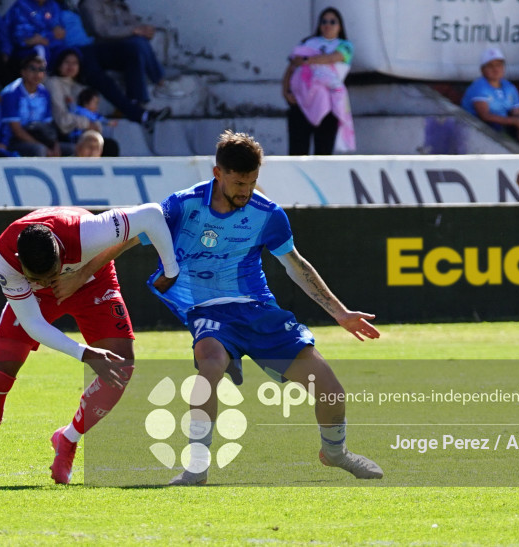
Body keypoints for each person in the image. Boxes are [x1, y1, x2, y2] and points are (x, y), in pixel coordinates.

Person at [145, 130, 382, 485]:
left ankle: (335, 454)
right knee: (208, 367)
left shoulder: (267, 213)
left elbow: (296, 265)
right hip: (209, 309)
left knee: (330, 390)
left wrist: (341, 313)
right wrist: (84, 271)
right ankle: (196, 467)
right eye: (239, 182)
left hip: (257, 309)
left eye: (253, 182)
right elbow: (132, 232)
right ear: (218, 173)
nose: (246, 191)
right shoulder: (183, 204)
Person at [0, 203, 181, 486]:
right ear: (19, 261)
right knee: (0, 373)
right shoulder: (4, 257)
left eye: (52, 274)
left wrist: (171, 270)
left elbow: (152, 215)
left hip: (91, 281)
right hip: (34, 299)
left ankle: (68, 438)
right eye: (37, 278)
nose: (48, 283)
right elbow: (34, 325)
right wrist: (84, 353)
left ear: (61, 254)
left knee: (120, 368)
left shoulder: (87, 233)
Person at [282, 6, 355, 155]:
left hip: (328, 105)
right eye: (324, 21)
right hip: (302, 101)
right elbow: (291, 67)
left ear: (339, 26)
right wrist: (286, 91)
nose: (328, 25)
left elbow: (332, 58)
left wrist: (307, 60)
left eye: (332, 21)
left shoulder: (344, 46)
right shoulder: (308, 43)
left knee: (323, 151)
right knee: (297, 150)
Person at [78, 0, 181, 102]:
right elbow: (103, 31)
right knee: (137, 45)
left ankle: (137, 102)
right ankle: (160, 82)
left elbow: (132, 23)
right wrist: (133, 31)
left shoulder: (116, 4)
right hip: (99, 51)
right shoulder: (90, 4)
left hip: (124, 48)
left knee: (136, 49)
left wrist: (144, 30)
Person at [44, 49, 117, 155]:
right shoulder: (53, 84)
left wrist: (94, 127)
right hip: (62, 135)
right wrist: (87, 124)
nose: (71, 66)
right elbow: (62, 120)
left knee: (109, 146)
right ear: (59, 64)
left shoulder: (81, 88)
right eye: (67, 62)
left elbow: (93, 116)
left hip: (83, 134)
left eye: (75, 63)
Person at [0, 54, 72, 157]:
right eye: (33, 69)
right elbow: (17, 131)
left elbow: (48, 126)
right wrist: (44, 147)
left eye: (41, 69)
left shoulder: (44, 93)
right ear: (23, 72)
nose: (37, 74)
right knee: (40, 150)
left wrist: (54, 145)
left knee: (72, 149)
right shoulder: (11, 93)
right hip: (12, 141)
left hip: (39, 138)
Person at [462, 47, 519, 145]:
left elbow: (517, 112)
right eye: (490, 66)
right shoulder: (479, 86)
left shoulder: (509, 87)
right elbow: (485, 116)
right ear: (482, 70)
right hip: (479, 126)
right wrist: (514, 121)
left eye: (499, 65)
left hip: (505, 122)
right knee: (495, 128)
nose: (495, 69)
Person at [1, 0, 65, 67]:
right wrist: (30, 40)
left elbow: (59, 30)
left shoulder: (53, 5)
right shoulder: (21, 5)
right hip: (24, 47)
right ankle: (41, 75)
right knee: (40, 49)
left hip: (51, 44)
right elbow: (19, 34)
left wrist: (50, 34)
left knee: (68, 54)